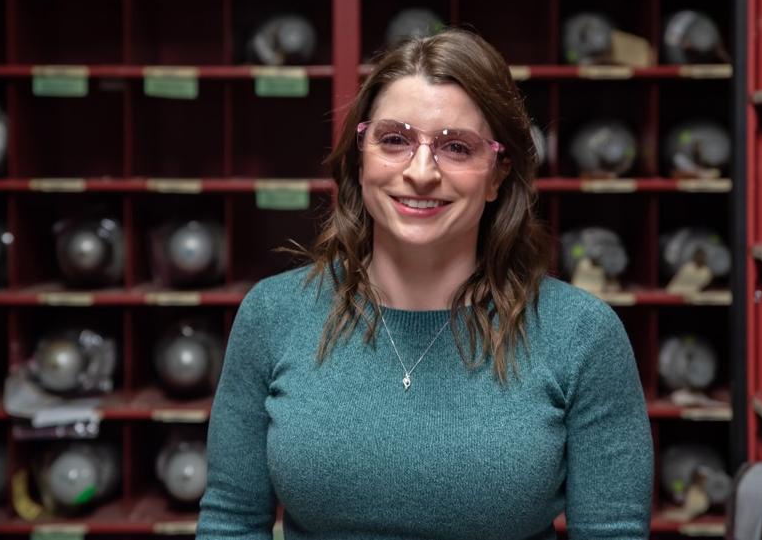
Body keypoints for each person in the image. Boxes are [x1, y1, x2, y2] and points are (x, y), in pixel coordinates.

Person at [197, 29, 653, 539]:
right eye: (395, 140)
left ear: (499, 174)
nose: (420, 172)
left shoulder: (581, 335)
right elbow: (231, 521)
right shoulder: (274, 314)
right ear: (360, 154)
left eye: (456, 147)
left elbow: (614, 532)